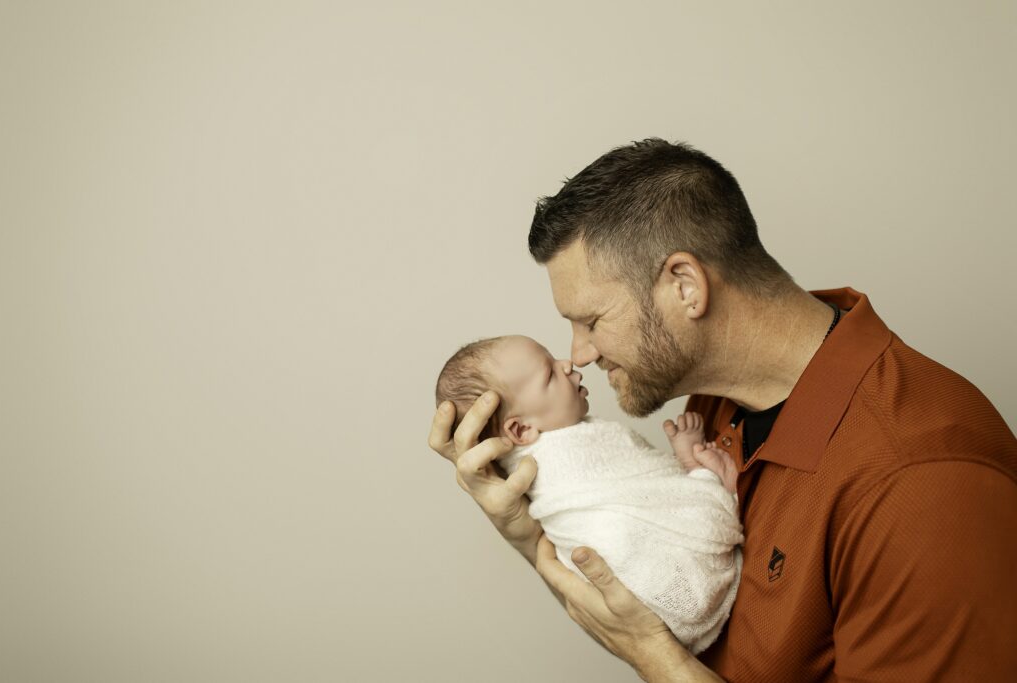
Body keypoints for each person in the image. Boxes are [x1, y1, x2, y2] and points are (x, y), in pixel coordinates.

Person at [427, 139, 1017, 682]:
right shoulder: (713, 404)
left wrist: (651, 654)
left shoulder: (925, 486)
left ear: (685, 285)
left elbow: (656, 641)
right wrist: (528, 533)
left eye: (591, 321)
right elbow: (659, 596)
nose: (579, 353)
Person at [434, 333, 743, 654]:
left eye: (554, 359)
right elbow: (618, 520)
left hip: (671, 625)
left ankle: (699, 480)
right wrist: (700, 477)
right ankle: (706, 480)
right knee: (621, 534)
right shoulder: (556, 468)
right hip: (675, 592)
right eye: (550, 373)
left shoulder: (580, 437)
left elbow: (641, 488)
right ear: (521, 430)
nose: (568, 364)